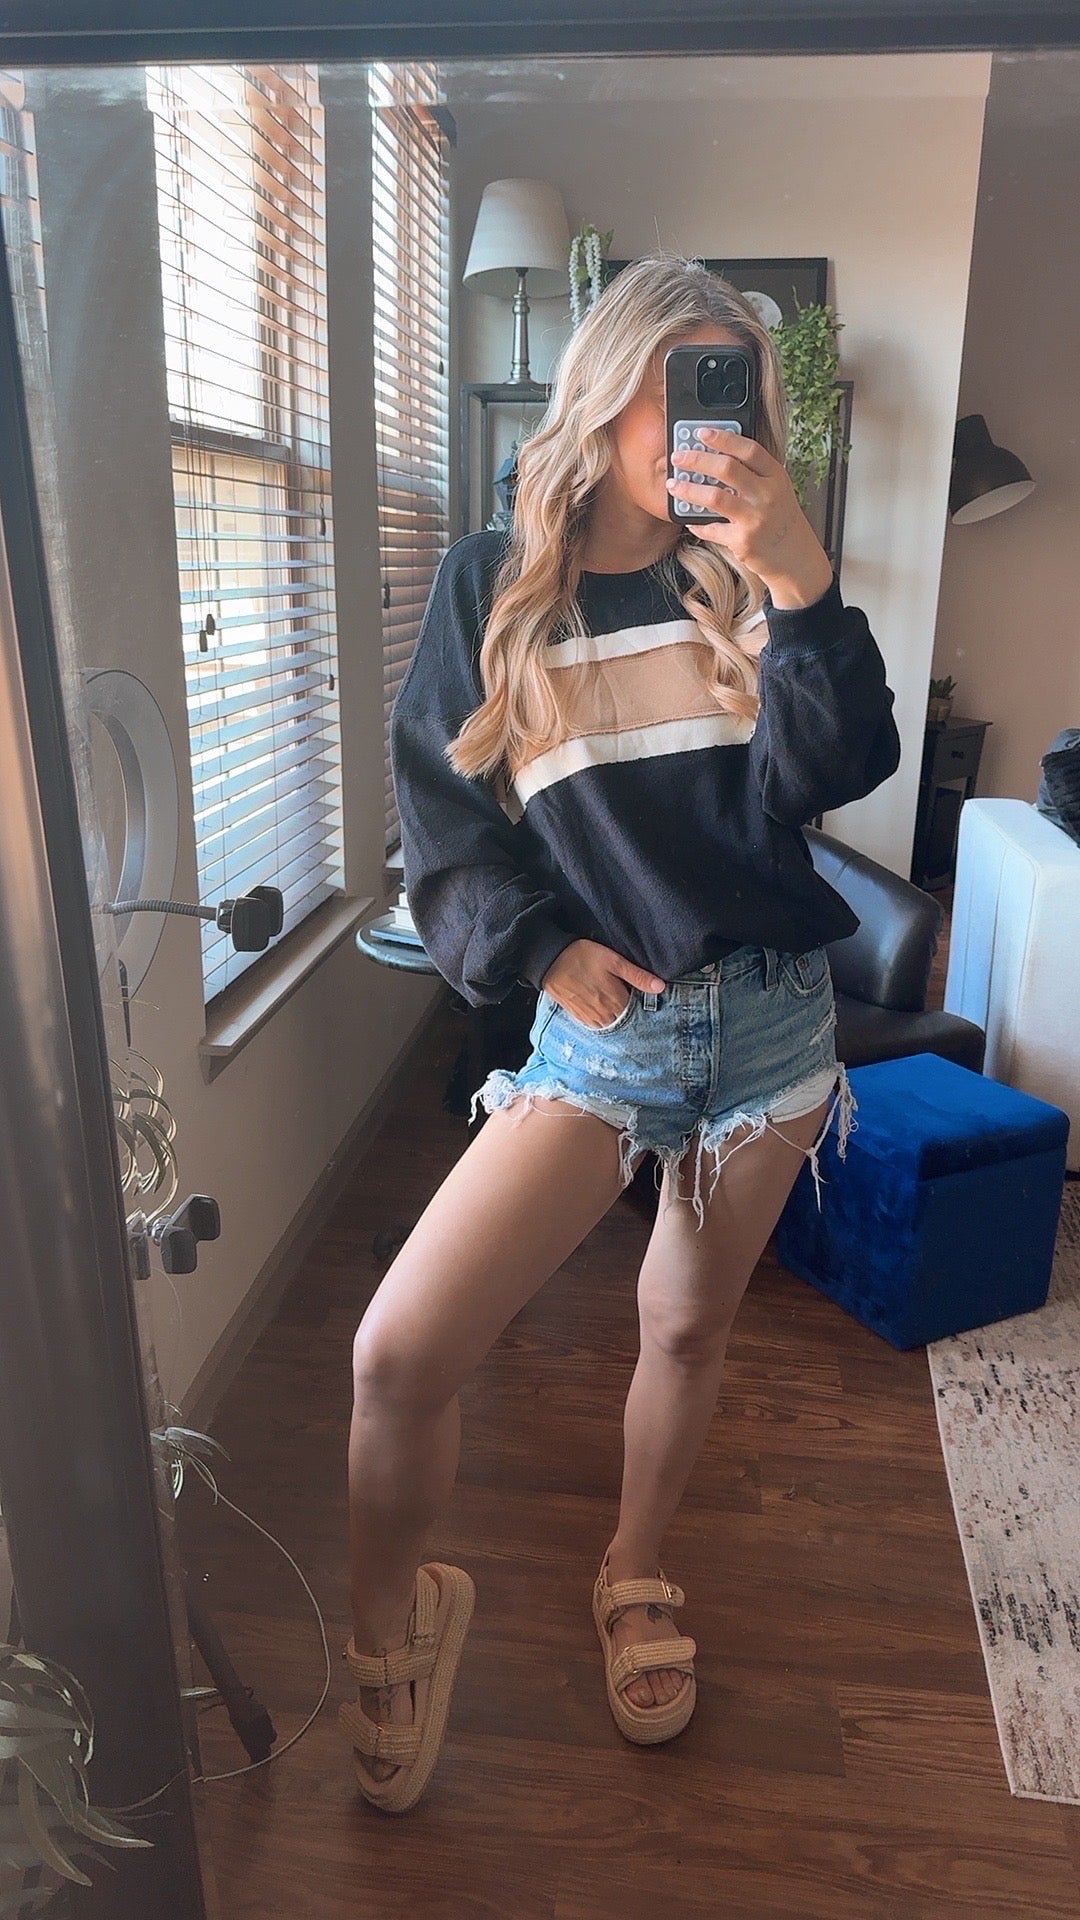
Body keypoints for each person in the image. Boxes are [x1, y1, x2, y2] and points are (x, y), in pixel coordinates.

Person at [339, 254, 901, 1812]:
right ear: (603, 392)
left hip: (775, 1028)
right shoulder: (491, 584)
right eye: (679, 386)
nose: (706, 425)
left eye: (735, 394)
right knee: (398, 1354)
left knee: (688, 1329)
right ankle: (389, 1630)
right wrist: (539, 949)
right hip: (604, 1039)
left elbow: (828, 776)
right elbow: (442, 817)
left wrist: (803, 583)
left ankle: (635, 1569)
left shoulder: (747, 584)